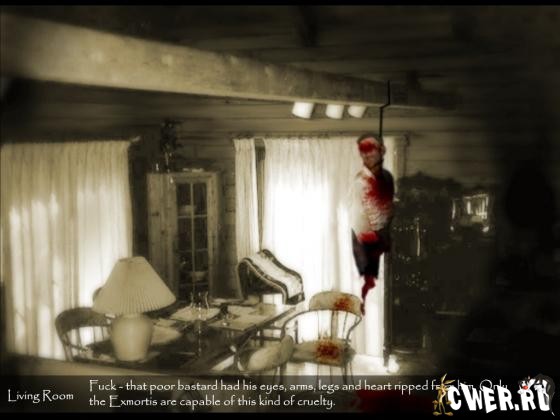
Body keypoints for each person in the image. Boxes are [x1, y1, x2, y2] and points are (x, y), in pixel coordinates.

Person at [349, 133, 395, 315]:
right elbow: (364, 214)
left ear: (382, 151)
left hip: (381, 237)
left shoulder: (387, 178)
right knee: (369, 279)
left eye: (371, 150)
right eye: (363, 151)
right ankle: (364, 302)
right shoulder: (361, 181)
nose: (367, 155)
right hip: (366, 238)